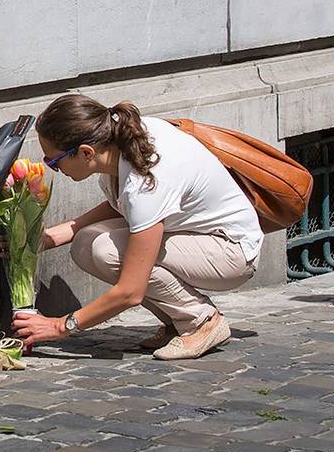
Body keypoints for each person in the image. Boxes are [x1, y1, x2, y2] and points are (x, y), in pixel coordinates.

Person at [13, 94, 263, 360]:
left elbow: (131, 291)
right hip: (195, 236)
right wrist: (49, 238)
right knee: (86, 244)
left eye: (54, 162)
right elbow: (122, 205)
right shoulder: (124, 138)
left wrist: (60, 326)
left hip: (230, 251)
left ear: (86, 152)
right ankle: (175, 321)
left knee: (104, 251)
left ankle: (201, 322)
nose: (55, 169)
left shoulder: (145, 183)